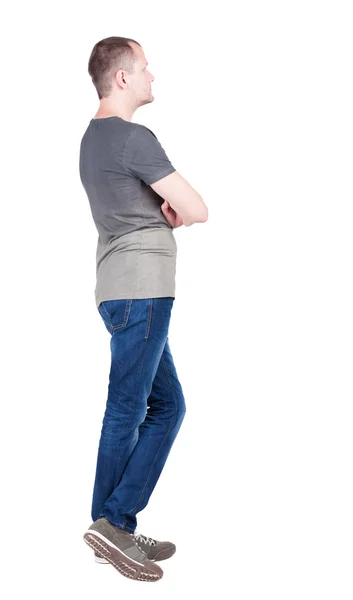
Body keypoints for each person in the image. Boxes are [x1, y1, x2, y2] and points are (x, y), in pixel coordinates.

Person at [79, 36, 208, 582]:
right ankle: (112, 523)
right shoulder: (133, 138)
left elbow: (145, 206)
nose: (153, 75)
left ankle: (113, 527)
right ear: (123, 78)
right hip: (143, 288)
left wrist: (165, 212)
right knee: (129, 409)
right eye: (146, 67)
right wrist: (175, 214)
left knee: (166, 407)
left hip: (117, 287)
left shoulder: (92, 139)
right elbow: (198, 207)